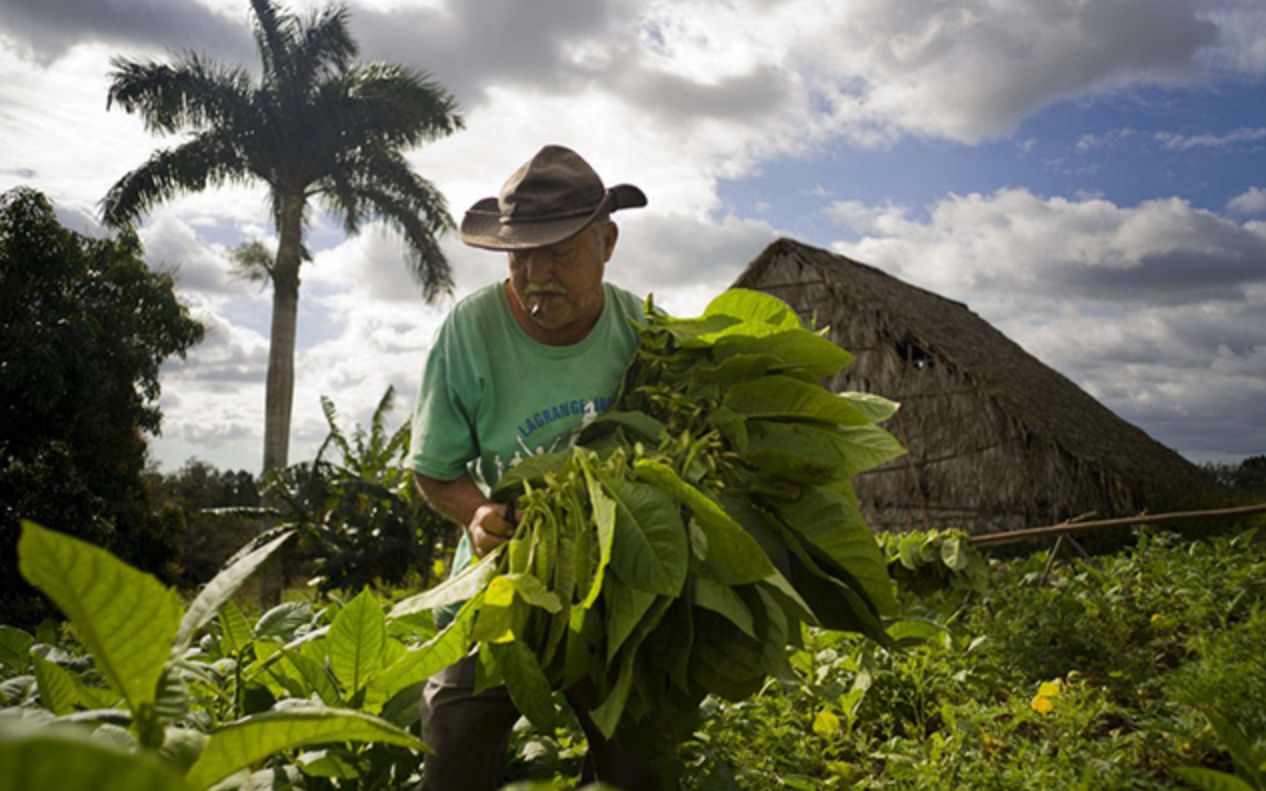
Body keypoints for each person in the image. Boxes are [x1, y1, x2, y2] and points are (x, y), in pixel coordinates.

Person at [409, 145, 667, 790]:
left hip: (615, 589)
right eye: (521, 254)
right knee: (453, 731)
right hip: (504, 579)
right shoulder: (469, 330)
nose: (536, 275)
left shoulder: (645, 331)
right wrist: (477, 513)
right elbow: (433, 468)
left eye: (559, 252)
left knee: (641, 760)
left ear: (607, 243)